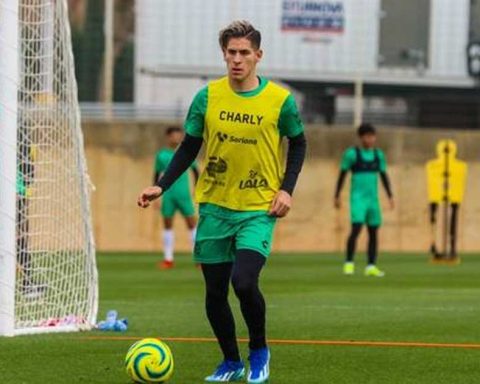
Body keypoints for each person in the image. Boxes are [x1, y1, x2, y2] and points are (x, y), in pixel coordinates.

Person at [137, 20, 306, 384]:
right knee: (214, 291)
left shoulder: (280, 101)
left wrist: (287, 188)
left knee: (244, 282)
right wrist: (161, 186)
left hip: (258, 208)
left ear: (258, 56)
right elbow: (189, 146)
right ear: (224, 55)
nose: (237, 60)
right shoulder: (207, 97)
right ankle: (230, 362)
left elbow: (299, 142)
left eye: (245, 53)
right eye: (231, 52)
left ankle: (259, 351)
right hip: (214, 205)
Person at [334, 123, 394, 277]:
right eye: (367, 136)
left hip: (373, 200)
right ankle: (349, 263)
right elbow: (342, 175)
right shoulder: (352, 154)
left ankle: (371, 266)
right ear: (361, 138)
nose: (370, 139)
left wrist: (390, 196)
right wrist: (337, 195)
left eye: (372, 136)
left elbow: (383, 176)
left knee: (373, 231)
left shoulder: (378, 155)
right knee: (356, 228)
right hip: (358, 199)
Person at [153, 126, 199, 269]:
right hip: (168, 195)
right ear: (168, 137)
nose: (177, 138)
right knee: (167, 225)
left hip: (184, 194)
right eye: (174, 136)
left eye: (179, 136)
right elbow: (156, 175)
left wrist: (197, 190)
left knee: (192, 224)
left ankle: (200, 259)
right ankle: (168, 259)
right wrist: (154, 196)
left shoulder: (185, 153)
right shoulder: (161, 155)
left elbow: (196, 172)